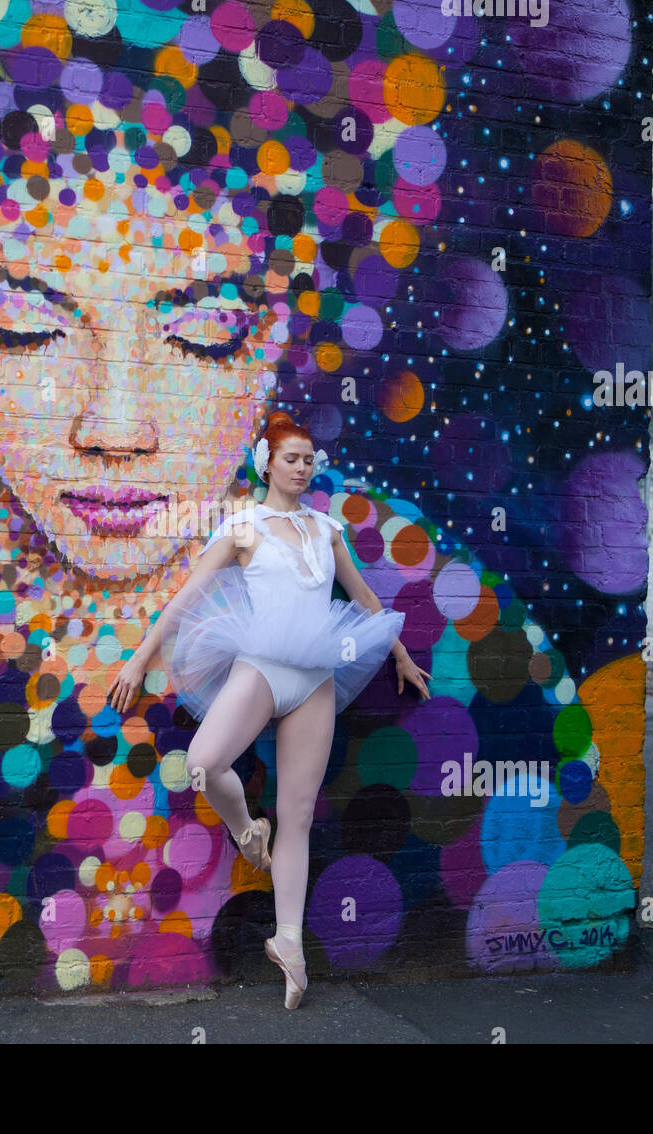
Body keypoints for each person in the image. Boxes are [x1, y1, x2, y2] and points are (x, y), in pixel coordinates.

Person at [108, 411, 432, 1008]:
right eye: (291, 458)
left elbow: (362, 598)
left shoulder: (325, 529)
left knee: (300, 813)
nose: (303, 467)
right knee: (204, 761)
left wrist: (402, 656)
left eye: (310, 459)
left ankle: (289, 943)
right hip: (260, 667)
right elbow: (186, 597)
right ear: (267, 463)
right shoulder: (243, 526)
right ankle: (245, 831)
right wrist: (138, 659)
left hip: (314, 678)